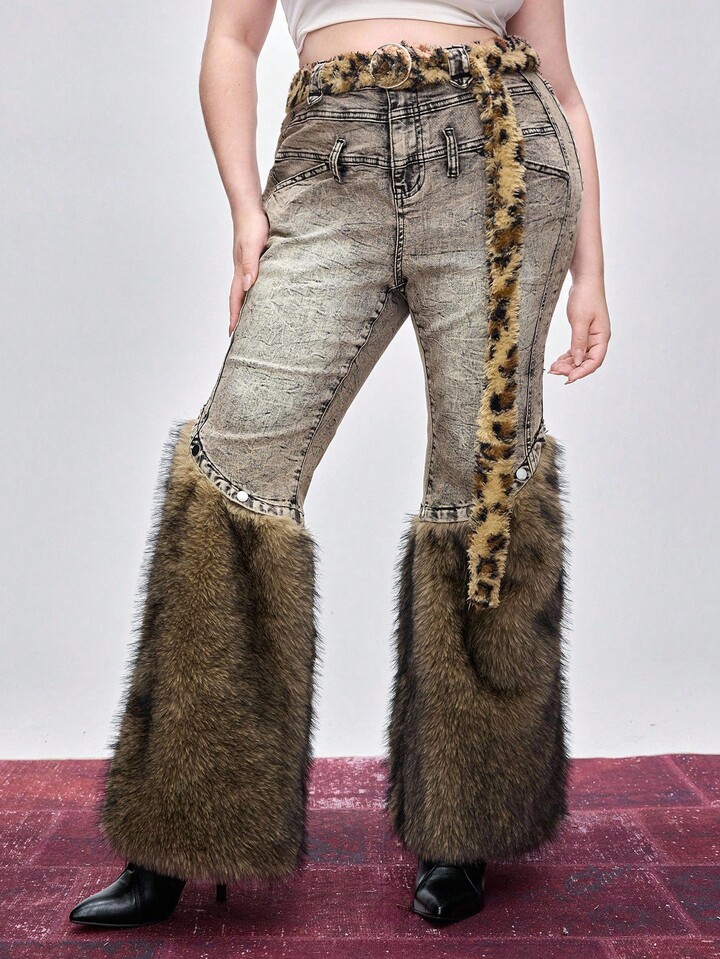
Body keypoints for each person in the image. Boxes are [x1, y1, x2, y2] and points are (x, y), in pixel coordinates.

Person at [69, 0, 610, 930]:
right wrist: (246, 210)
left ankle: (465, 826)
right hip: (329, 162)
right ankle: (178, 829)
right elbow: (231, 40)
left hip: (501, 162)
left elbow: (561, 87)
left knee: (483, 484)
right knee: (235, 466)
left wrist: (592, 273)